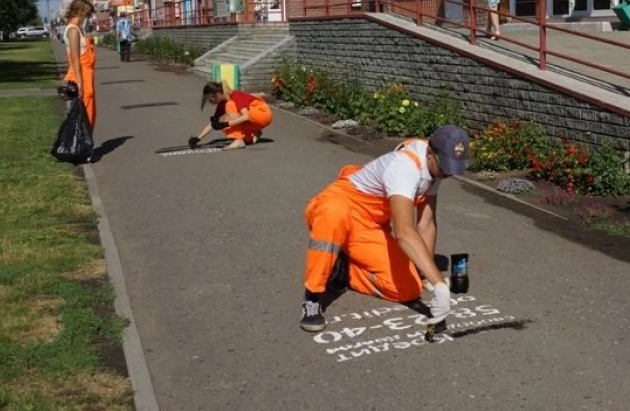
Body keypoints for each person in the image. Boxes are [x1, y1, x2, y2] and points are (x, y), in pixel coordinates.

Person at [299, 125, 471, 332]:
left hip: (369, 225)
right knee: (333, 214)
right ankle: (312, 296)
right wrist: (440, 285)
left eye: (452, 169)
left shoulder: (435, 169)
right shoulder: (405, 168)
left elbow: (426, 223)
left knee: (409, 289)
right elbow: (404, 231)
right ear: (430, 153)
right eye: (444, 167)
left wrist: (425, 275)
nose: (446, 174)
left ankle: (344, 271)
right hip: (341, 204)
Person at [190, 81, 273, 150]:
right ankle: (254, 132)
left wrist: (225, 124)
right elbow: (213, 123)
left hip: (263, 114)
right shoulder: (222, 102)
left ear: (218, 95)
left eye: (210, 99)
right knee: (247, 140)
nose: (209, 102)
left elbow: (246, 116)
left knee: (229, 110)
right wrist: (198, 138)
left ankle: (238, 140)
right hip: (255, 118)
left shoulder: (235, 96)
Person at [63, 0, 98, 130]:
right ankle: (84, 144)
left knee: (89, 110)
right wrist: (79, 81)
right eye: (87, 14)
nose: (87, 18)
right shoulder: (73, 30)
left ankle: (85, 143)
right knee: (86, 111)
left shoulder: (76, 29)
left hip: (86, 72)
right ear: (81, 12)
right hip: (81, 73)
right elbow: (75, 57)